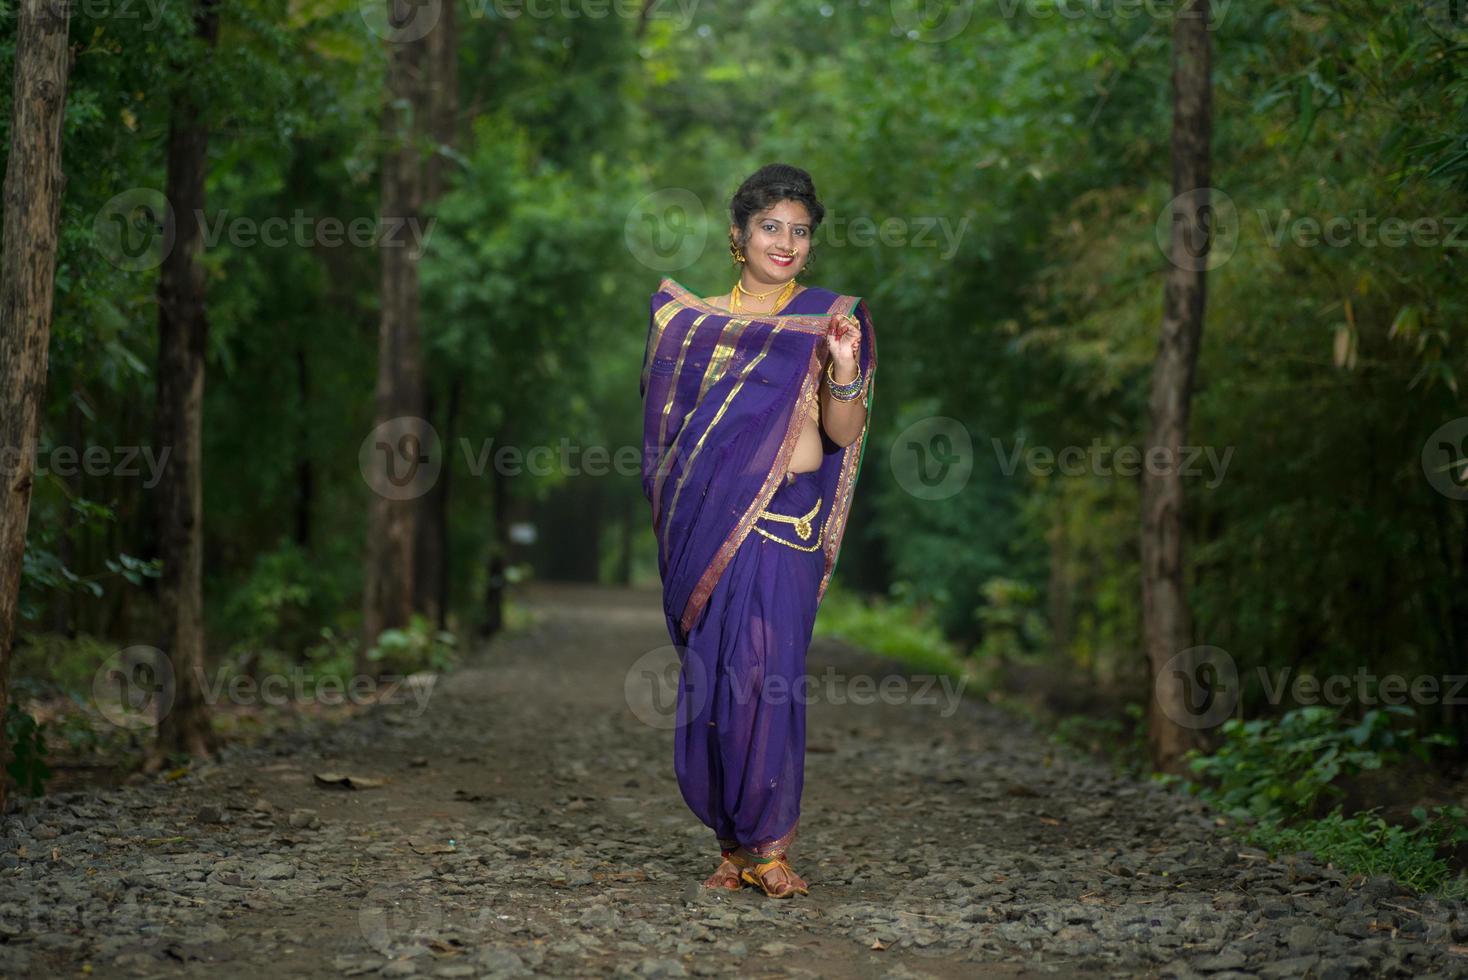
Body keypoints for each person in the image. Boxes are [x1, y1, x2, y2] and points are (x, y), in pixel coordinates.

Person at [638, 163, 876, 898]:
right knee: (714, 685)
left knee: (766, 684)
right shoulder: (688, 323)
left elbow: (841, 433)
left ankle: (767, 846)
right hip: (707, 532)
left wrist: (841, 367)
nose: (786, 241)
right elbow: (666, 439)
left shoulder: (831, 321)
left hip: (785, 533)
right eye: (771, 226)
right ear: (738, 236)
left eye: (800, 231)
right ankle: (730, 847)